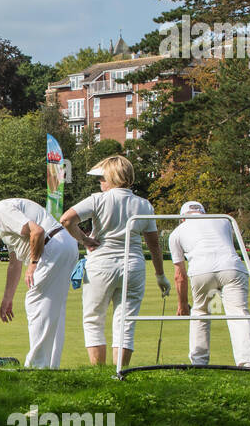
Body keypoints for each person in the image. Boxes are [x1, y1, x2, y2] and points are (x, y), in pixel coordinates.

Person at [59, 155, 168, 368]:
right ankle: (120, 374)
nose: (100, 182)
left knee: (93, 320)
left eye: (102, 178)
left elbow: (66, 220)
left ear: (112, 177)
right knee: (125, 323)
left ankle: (99, 373)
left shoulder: (98, 200)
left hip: (102, 264)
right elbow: (154, 244)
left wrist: (84, 239)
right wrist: (160, 275)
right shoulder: (144, 205)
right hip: (133, 265)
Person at [0, 195, 79, 368]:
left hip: (52, 248)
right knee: (54, 310)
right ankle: (50, 368)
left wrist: (33, 264)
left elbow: (37, 231)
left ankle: (36, 367)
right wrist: (7, 299)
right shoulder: (2, 224)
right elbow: (14, 263)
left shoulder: (2, 211)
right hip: (64, 246)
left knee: (35, 303)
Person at [168, 201, 250, 368]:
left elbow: (180, 275)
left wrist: (182, 305)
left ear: (182, 218)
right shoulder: (223, 220)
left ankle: (199, 362)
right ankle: (246, 362)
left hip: (201, 270)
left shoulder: (177, 233)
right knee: (238, 313)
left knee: (200, 312)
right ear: (203, 212)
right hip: (232, 267)